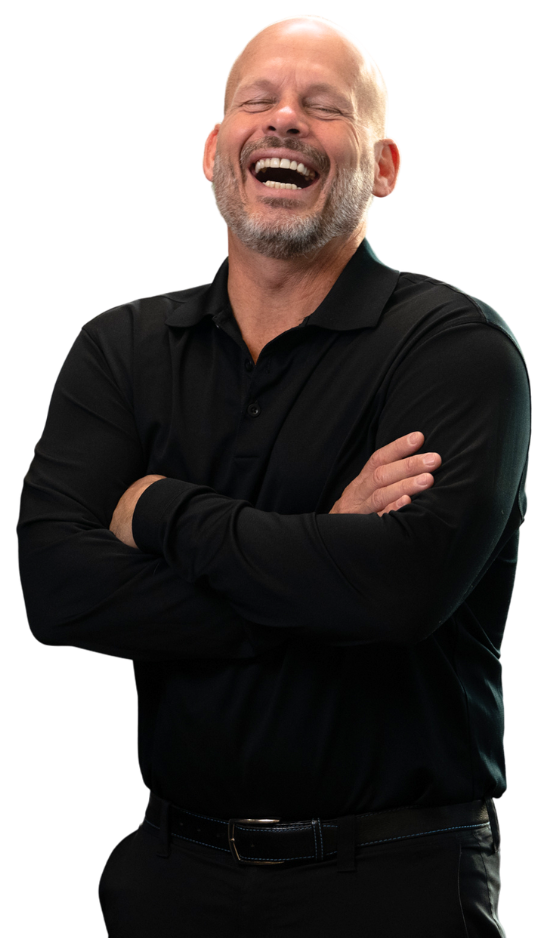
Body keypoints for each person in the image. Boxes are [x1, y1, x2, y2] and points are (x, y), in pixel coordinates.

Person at [17, 14, 529, 938]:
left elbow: (399, 593)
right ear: (213, 153)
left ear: (384, 168)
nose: (284, 118)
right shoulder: (119, 348)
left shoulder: (453, 348)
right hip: (167, 876)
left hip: (397, 881)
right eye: (258, 101)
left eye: (323, 107)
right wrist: (324, 552)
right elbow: (57, 590)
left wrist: (161, 510)